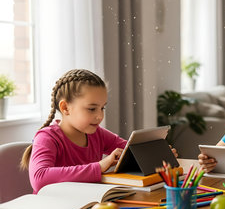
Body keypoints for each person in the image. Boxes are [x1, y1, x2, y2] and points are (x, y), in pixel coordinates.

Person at [21, 69, 176, 193]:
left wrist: (157, 153)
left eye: (102, 108)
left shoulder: (96, 133)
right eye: (92, 109)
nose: (100, 115)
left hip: (86, 207)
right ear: (65, 107)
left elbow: (130, 149)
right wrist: (99, 167)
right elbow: (39, 178)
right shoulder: (47, 137)